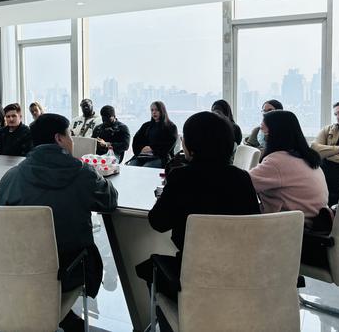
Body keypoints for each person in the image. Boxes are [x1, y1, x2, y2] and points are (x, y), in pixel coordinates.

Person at [136, 112, 260, 331]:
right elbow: (254, 225)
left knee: (149, 268)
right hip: (240, 277)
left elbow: (158, 222)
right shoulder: (241, 179)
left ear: (191, 145)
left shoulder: (181, 178)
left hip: (192, 278)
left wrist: (169, 195)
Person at [0, 113, 118, 331]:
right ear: (59, 139)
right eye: (70, 135)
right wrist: (98, 176)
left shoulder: (10, 177)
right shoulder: (83, 174)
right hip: (69, 268)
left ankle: (62, 316)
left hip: (21, 265)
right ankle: (63, 317)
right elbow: (110, 202)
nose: (72, 140)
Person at [249, 110, 328, 222]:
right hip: (313, 221)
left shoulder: (278, 161)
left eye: (262, 129)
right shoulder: (307, 157)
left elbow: (242, 184)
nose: (260, 133)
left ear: (274, 133)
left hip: (289, 226)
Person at [127, 101, 178, 168]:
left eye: (157, 110)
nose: (154, 112)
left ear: (162, 111)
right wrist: (141, 149)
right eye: (152, 110)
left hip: (161, 157)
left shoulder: (171, 127)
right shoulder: (146, 125)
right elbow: (136, 140)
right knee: (131, 166)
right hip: (143, 156)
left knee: (146, 168)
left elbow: (167, 146)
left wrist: (152, 149)